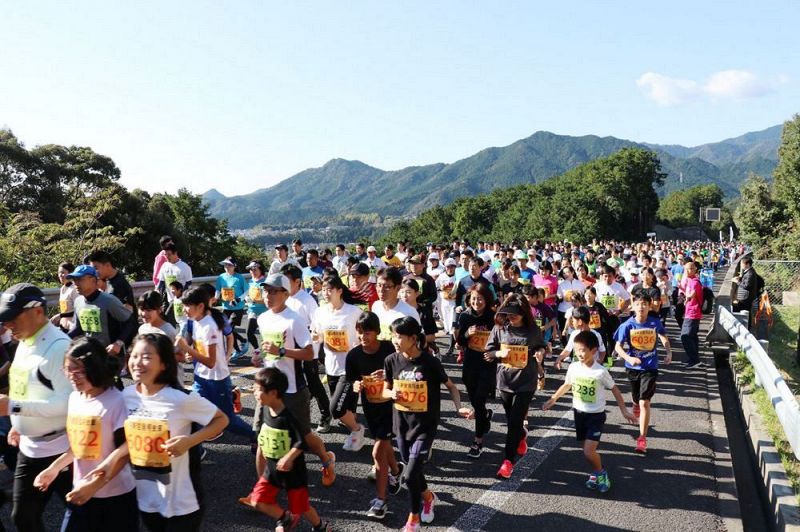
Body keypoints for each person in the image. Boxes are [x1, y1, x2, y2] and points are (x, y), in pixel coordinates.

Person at [123, 333, 228, 530]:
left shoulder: (180, 399)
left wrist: (189, 441)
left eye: (146, 357)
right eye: (134, 356)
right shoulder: (126, 396)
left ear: (164, 364)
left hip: (182, 501)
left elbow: (221, 419)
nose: (137, 362)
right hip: (147, 497)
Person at [33, 337, 138, 531]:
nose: (72, 376)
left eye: (78, 370)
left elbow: (126, 453)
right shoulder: (75, 398)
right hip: (82, 491)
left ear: (95, 367)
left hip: (116, 497)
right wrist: (54, 469)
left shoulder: (116, 401)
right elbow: (79, 446)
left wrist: (95, 485)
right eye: (68, 369)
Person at [382, 317, 472, 531]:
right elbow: (385, 389)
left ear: (413, 338)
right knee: (414, 473)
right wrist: (391, 393)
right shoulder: (391, 360)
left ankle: (413, 518)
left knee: (410, 474)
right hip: (401, 426)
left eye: (399, 336)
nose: (394, 340)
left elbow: (451, 386)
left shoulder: (430, 362)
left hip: (425, 427)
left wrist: (459, 407)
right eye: (393, 335)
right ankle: (428, 497)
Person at [252, 273, 337, 487]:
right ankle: (261, 490)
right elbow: (267, 350)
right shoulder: (263, 319)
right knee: (263, 438)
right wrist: (259, 356)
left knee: (305, 436)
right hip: (268, 389)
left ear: (284, 294)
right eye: (265, 291)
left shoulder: (294, 320)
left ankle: (327, 459)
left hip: (293, 389)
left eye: (273, 291)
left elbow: (309, 354)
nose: (268, 295)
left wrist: (281, 350)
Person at [0, 283, 73, 532]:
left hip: (62, 449)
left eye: (12, 317)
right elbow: (26, 387)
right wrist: (19, 426)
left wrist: (14, 407)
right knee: (23, 518)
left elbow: (68, 403)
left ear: (38, 311)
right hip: (29, 448)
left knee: (86, 514)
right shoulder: (24, 341)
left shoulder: (60, 346)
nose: (7, 325)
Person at [543, 330, 636, 493]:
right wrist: (553, 399)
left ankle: (601, 474)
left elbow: (615, 389)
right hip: (579, 414)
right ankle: (595, 472)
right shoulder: (573, 367)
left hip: (596, 416)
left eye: (583, 350)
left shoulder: (600, 371)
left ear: (593, 351)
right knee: (585, 448)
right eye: (577, 350)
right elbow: (567, 384)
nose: (579, 353)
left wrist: (624, 410)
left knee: (588, 451)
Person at [239, 368, 330, 531]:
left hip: (294, 474)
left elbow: (302, 442)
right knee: (257, 501)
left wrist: (288, 457)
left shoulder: (287, 418)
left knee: (302, 507)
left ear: (273, 393)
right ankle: (285, 518)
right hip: (272, 472)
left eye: (258, 389)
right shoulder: (266, 409)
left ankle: (320, 526)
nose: (254, 392)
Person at [175, 287, 255, 445]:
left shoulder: (209, 326)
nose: (184, 310)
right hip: (200, 378)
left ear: (200, 306)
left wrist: (187, 349)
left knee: (228, 421)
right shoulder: (195, 321)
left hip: (217, 379)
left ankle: (257, 437)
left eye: (187, 306)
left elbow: (211, 362)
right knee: (192, 412)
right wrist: (188, 353)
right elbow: (196, 349)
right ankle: (195, 451)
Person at [346, 312, 403, 519]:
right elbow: (351, 382)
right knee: (383, 445)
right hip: (371, 408)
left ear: (378, 332)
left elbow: (404, 372)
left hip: (391, 408)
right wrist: (356, 385)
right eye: (360, 332)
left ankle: (381, 501)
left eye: (368, 333)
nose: (363, 337)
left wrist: (387, 376)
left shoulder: (389, 349)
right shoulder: (353, 356)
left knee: (378, 451)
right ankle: (396, 472)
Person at [484, 294, 546, 479]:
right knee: (512, 418)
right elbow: (488, 352)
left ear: (524, 313)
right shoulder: (500, 329)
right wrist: (498, 353)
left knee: (513, 423)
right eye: (508, 314)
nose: (511, 317)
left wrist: (541, 353)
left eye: (515, 314)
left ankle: (508, 462)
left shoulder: (532, 330)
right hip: (505, 380)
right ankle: (522, 433)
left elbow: (542, 346)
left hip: (526, 381)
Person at [614, 292, 672, 454]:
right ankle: (634, 402)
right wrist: (628, 357)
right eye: (638, 304)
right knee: (635, 397)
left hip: (650, 367)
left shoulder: (654, 323)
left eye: (644, 304)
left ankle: (642, 438)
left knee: (644, 402)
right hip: (632, 368)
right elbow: (618, 346)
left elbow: (663, 336)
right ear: (633, 306)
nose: (641, 307)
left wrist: (668, 352)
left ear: (649, 306)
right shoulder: (627, 325)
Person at [310, 276, 362, 447]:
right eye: (324, 289)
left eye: (329, 289)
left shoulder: (353, 312)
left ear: (340, 291)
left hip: (350, 365)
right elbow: (318, 335)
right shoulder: (320, 311)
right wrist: (316, 338)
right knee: (345, 404)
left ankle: (357, 430)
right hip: (331, 365)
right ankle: (354, 431)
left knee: (336, 408)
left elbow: (362, 335)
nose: (326, 293)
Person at [455, 284, 497, 458]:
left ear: (486, 300)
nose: (476, 302)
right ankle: (485, 414)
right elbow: (459, 342)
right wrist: (466, 335)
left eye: (480, 299)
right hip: (471, 362)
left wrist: (494, 353)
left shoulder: (494, 317)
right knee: (475, 400)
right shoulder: (465, 317)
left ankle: (477, 441)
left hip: (487, 363)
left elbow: (501, 340)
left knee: (479, 400)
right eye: (473, 299)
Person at [67, 265, 136, 361]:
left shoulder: (109, 301)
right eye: (74, 280)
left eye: (79, 279)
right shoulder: (78, 302)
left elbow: (130, 322)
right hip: (90, 353)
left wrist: (118, 343)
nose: (76, 284)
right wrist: (62, 338)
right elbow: (78, 328)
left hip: (110, 355)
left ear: (93, 280)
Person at [373, 268, 421, 341]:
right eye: (379, 285)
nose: (381, 290)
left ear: (398, 288)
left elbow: (418, 341)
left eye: (387, 287)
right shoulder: (376, 306)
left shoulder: (409, 313)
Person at [215, 257, 248, 357]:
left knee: (228, 327)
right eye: (225, 265)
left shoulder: (239, 278)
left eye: (229, 265)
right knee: (227, 330)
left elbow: (247, 291)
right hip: (226, 308)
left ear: (234, 266)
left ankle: (237, 350)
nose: (227, 267)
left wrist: (238, 299)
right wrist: (215, 299)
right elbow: (218, 290)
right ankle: (242, 341)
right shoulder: (221, 277)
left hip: (237, 308)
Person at [679, 261, 704, 369]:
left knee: (685, 337)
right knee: (692, 337)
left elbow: (691, 294)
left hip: (693, 312)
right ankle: (693, 359)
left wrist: (687, 297)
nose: (687, 271)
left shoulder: (694, 282)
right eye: (686, 269)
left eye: (690, 268)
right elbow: (684, 290)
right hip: (691, 311)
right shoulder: (690, 280)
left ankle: (694, 360)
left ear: (695, 270)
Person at [156, 243, 193, 310]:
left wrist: (180, 297)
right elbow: (161, 284)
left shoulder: (185, 267)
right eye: (165, 254)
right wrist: (159, 300)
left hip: (181, 303)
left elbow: (189, 285)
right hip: (169, 302)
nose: (167, 257)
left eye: (169, 254)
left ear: (175, 253)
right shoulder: (164, 266)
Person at [245, 260, 268, 359]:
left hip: (264, 312)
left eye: (255, 269)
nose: (252, 271)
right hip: (252, 311)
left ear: (260, 270)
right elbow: (248, 296)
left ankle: (269, 352)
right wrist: (247, 299)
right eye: (251, 269)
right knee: (249, 332)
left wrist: (255, 300)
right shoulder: (250, 282)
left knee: (265, 334)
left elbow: (267, 300)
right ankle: (257, 350)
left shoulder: (265, 282)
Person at [436, 258, 458, 355]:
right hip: (445, 303)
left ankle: (451, 346)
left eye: (452, 266)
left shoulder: (458, 276)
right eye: (448, 267)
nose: (450, 268)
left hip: (454, 302)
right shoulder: (441, 276)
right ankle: (452, 345)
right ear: (445, 267)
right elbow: (435, 287)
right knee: (448, 325)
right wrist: (441, 288)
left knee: (453, 325)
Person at [51, 262, 79, 332]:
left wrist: (60, 315)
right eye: (59, 273)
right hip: (63, 326)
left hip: (72, 328)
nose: (60, 275)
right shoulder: (62, 288)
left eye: (63, 272)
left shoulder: (75, 289)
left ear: (70, 273)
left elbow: (77, 311)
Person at [734, 256, 759, 329]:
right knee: (746, 312)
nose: (741, 266)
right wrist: (740, 278)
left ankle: (746, 328)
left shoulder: (750, 273)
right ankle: (747, 327)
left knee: (745, 312)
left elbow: (747, 286)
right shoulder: (749, 271)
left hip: (746, 297)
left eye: (742, 264)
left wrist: (737, 282)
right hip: (746, 296)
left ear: (747, 264)